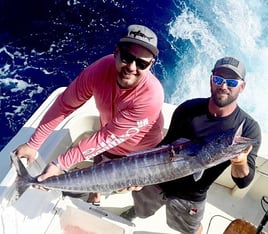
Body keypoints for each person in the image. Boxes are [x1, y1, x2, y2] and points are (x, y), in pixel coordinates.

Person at [13, 24, 164, 203]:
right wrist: (33, 144)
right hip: (108, 144)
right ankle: (95, 194)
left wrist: (59, 164)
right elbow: (64, 104)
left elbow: (105, 138)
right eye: (127, 57)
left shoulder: (151, 97)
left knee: (141, 202)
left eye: (141, 63)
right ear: (116, 51)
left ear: (151, 65)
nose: (131, 67)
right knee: (98, 171)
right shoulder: (100, 70)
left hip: (140, 156)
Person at [121, 56, 262, 234]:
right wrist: (142, 175)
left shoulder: (249, 128)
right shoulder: (188, 109)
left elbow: (243, 182)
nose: (224, 86)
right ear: (211, 80)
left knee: (191, 229)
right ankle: (136, 212)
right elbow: (165, 146)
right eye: (218, 79)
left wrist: (239, 161)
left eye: (231, 82)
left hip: (191, 197)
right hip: (158, 181)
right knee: (141, 211)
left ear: (242, 86)